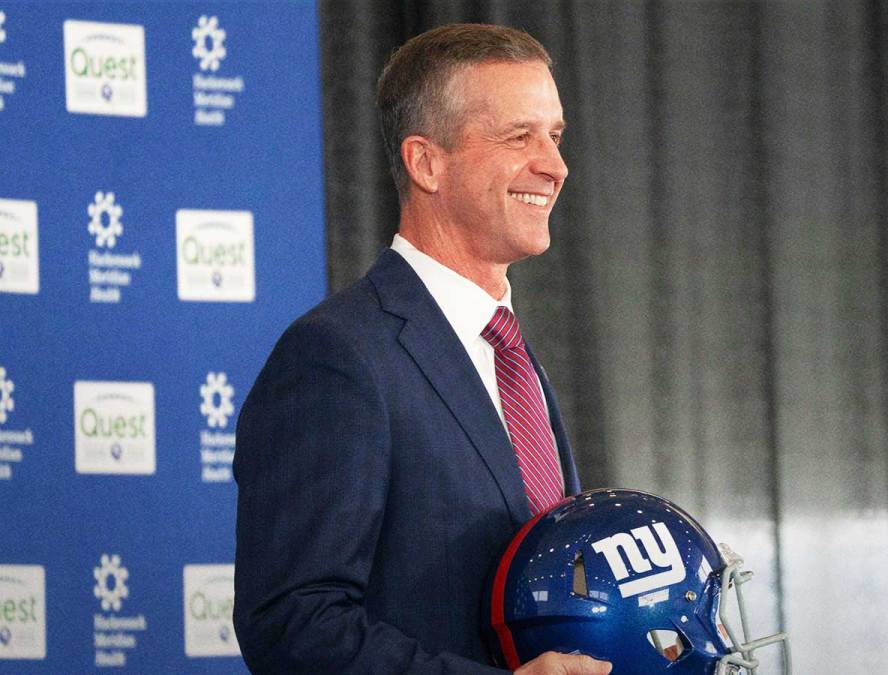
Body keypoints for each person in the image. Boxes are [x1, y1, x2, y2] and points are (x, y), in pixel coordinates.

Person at [232, 23, 611, 675]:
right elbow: (293, 624)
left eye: (555, 135)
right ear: (426, 162)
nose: (554, 165)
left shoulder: (511, 357)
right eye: (520, 136)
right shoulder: (338, 355)